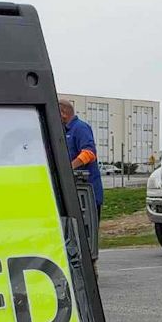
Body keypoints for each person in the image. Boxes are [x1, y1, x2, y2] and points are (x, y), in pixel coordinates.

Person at [59, 98, 103, 260]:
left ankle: (90, 265)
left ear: (63, 112)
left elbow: (89, 153)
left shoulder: (80, 128)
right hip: (73, 191)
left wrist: (68, 168)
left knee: (86, 235)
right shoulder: (63, 131)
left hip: (87, 193)